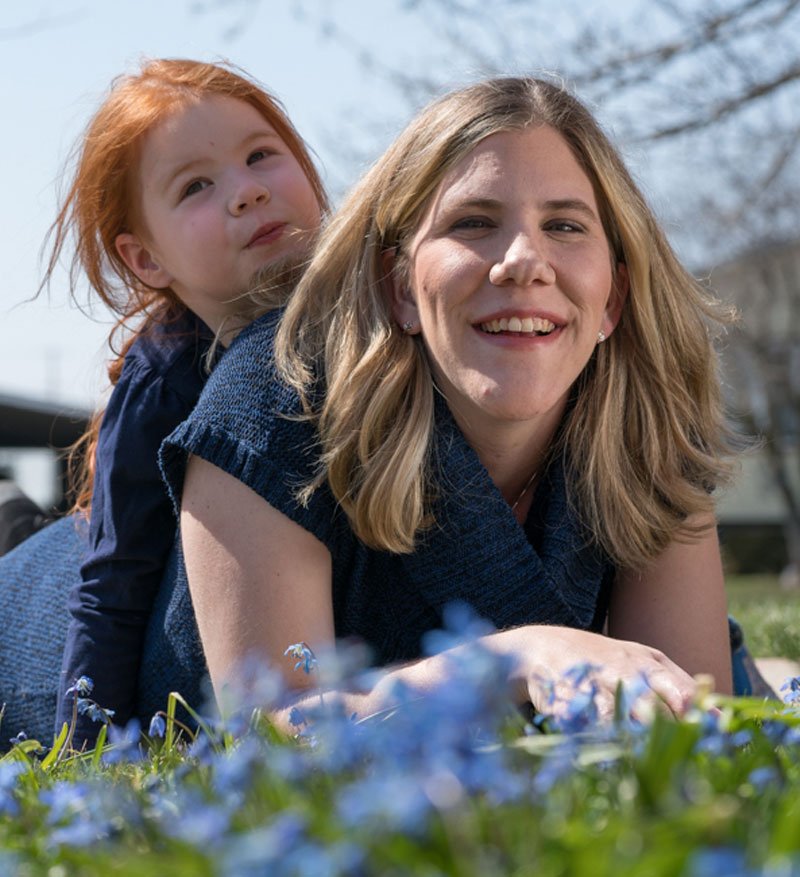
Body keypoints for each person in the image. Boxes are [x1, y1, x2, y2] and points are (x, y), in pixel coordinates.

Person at [158, 75, 738, 730]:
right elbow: (272, 731)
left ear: (613, 300)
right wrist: (519, 655)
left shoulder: (650, 422)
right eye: (474, 223)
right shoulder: (272, 399)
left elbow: (688, 717)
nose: (524, 259)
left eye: (565, 225)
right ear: (400, 285)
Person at [1, 57, 326, 749]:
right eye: (197, 186)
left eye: (262, 155)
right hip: (60, 576)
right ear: (147, 258)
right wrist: (84, 764)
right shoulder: (162, 378)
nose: (246, 192)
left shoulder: (379, 290)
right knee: (30, 539)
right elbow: (110, 585)